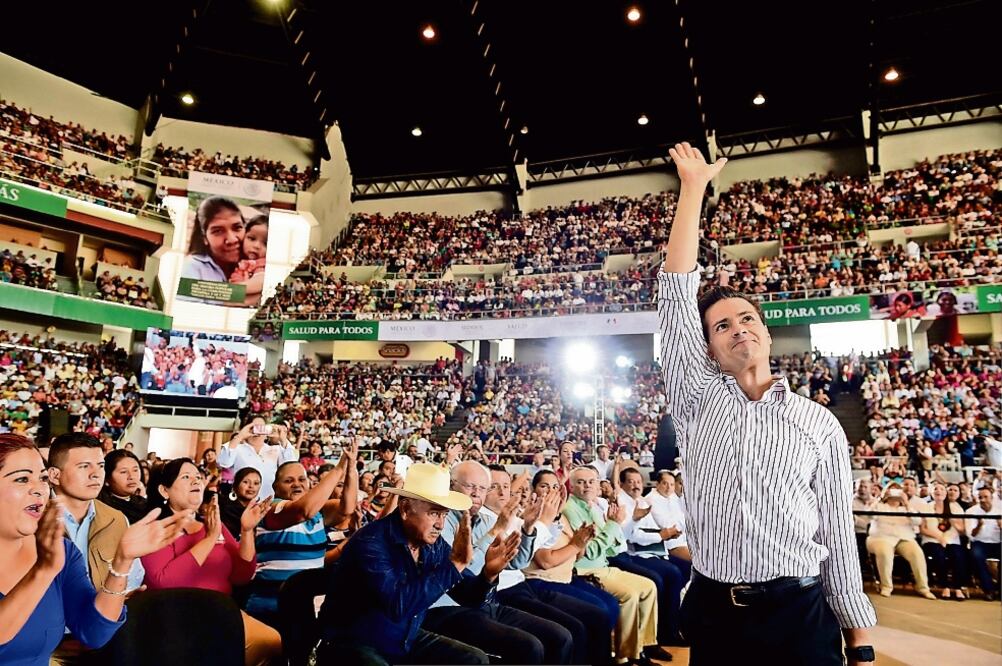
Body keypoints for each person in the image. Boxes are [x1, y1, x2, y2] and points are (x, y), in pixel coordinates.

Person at [658, 142, 875, 665]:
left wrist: (860, 642)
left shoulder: (817, 422)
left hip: (799, 612)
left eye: (747, 319)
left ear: (767, 333)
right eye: (721, 326)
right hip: (716, 612)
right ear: (707, 349)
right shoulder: (697, 398)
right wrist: (693, 188)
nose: (738, 329)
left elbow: (836, 532)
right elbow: (675, 294)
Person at [0, 434, 183, 666]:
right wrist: (42, 572)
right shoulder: (49, 560)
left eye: (42, 478)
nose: (39, 490)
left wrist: (122, 561)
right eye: (22, 479)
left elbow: (94, 632)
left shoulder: (60, 551)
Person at [316, 462, 490, 665]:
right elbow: (398, 606)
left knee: (474, 659)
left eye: (444, 514)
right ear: (406, 508)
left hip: (402, 640)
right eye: (434, 513)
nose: (440, 524)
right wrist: (454, 565)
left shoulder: (433, 543)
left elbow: (469, 597)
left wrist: (489, 574)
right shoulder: (371, 542)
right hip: (354, 643)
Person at [423, 461, 574, 665]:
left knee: (560, 636)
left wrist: (528, 528)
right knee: (529, 646)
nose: (476, 494)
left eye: (482, 488)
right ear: (451, 486)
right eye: (470, 486)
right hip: (448, 608)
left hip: (486, 602)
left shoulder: (486, 520)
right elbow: (460, 573)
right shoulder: (441, 521)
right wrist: (495, 531)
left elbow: (516, 562)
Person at [141, 458, 281, 666]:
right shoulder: (156, 529)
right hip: (177, 616)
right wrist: (209, 540)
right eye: (186, 477)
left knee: (270, 641)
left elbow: (242, 575)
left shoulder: (212, 525)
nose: (195, 481)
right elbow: (163, 582)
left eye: (198, 477)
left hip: (221, 611)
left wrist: (247, 530)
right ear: (164, 491)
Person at [484, 465, 614, 666]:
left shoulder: (518, 515)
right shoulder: (489, 518)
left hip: (530, 584)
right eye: (494, 486)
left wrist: (553, 520)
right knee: (571, 629)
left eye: (506, 486)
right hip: (518, 587)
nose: (502, 492)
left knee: (599, 615)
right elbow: (531, 559)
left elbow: (559, 547)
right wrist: (543, 522)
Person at [244, 443, 357, 623]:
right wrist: (338, 469)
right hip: (270, 609)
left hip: (306, 607)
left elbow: (347, 508)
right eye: (288, 481)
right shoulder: (269, 508)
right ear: (276, 487)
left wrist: (351, 468)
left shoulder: (319, 511)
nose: (297, 484)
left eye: (301, 479)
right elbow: (303, 511)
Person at [562, 466, 659, 665]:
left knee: (649, 586)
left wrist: (613, 526)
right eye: (580, 482)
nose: (587, 486)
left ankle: (642, 646)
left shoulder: (593, 507)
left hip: (604, 566)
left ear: (598, 485)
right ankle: (624, 655)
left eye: (591, 481)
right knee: (629, 595)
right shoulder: (570, 509)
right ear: (571, 487)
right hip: (585, 570)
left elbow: (612, 549)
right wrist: (613, 525)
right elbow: (588, 551)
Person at [611, 467, 686, 648]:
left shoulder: (642, 501)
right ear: (622, 484)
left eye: (638, 482)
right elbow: (633, 536)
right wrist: (661, 536)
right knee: (666, 576)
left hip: (654, 549)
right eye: (631, 482)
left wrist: (665, 535)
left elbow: (654, 528)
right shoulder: (621, 502)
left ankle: (671, 627)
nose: (636, 485)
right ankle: (660, 633)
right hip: (634, 553)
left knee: (680, 572)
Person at [865, 486, 936, 599]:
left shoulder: (907, 508)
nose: (895, 494)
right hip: (880, 537)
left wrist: (906, 503)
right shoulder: (879, 506)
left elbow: (917, 521)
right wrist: (879, 499)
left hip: (904, 538)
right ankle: (886, 586)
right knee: (885, 553)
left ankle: (923, 588)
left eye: (898, 491)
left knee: (917, 554)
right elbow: (869, 515)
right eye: (892, 491)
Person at [216, 418, 298, 500]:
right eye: (253, 428)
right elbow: (223, 462)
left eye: (261, 428)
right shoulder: (237, 448)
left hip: (268, 501)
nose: (257, 432)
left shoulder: (276, 450)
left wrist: (283, 439)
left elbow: (291, 466)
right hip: (242, 501)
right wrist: (240, 436)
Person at [919, 481, 968, 600]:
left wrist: (952, 521)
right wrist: (939, 537)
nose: (938, 491)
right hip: (931, 540)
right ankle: (945, 586)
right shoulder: (926, 507)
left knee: (958, 555)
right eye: (935, 489)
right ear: (931, 492)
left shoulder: (955, 507)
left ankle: (957, 587)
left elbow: (962, 530)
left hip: (952, 540)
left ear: (946, 493)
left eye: (941, 489)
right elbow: (923, 529)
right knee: (939, 555)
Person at [965, 487, 1001, 600]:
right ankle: (989, 589)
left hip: (998, 542)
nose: (983, 500)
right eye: (980, 497)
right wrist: (979, 525)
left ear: (992, 498)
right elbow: (971, 535)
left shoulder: (1000, 510)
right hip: (980, 542)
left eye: (986, 497)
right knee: (976, 556)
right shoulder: (971, 511)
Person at [98, 449, 149, 524]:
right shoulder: (101, 508)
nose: (131, 476)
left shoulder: (145, 504)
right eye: (123, 472)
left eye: (135, 470)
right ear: (106, 479)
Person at [219, 467, 263, 539]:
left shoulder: (257, 510)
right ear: (235, 485)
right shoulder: (225, 507)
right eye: (246, 482)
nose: (251, 486)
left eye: (256, 483)